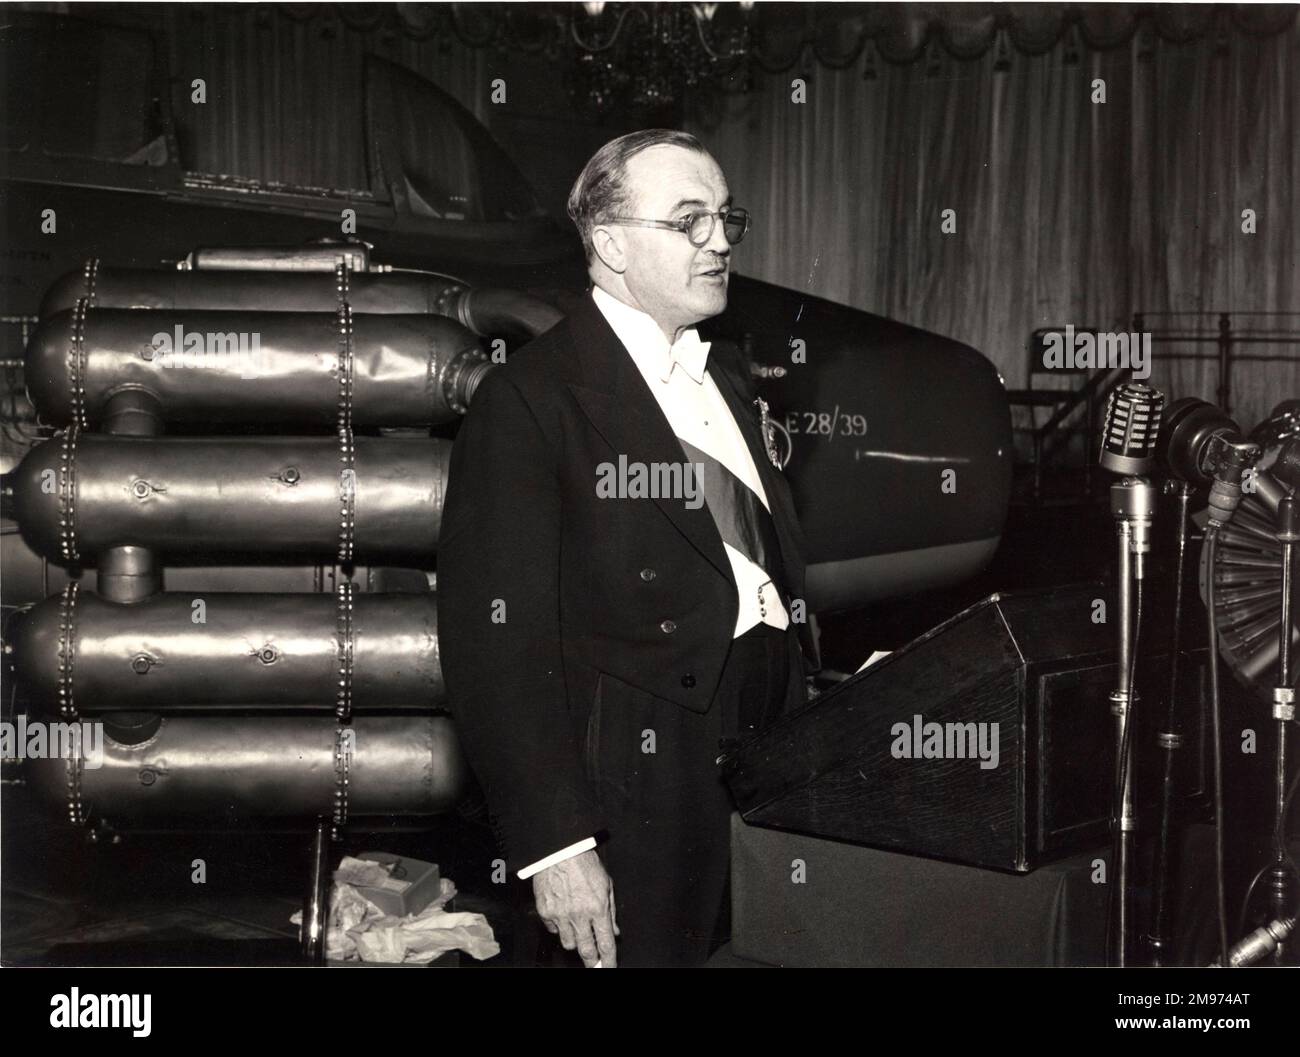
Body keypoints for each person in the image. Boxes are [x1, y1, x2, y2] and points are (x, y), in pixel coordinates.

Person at [438, 129, 819, 967]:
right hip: (635, 782)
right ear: (608, 244)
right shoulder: (528, 400)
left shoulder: (727, 380)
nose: (719, 240)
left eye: (725, 217)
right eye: (689, 221)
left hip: (767, 763)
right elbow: (495, 644)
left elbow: (760, 564)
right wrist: (559, 845)